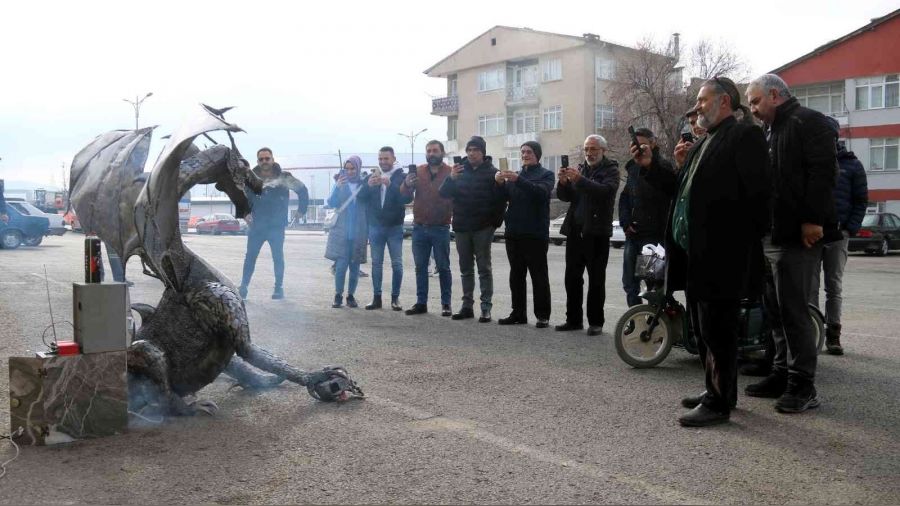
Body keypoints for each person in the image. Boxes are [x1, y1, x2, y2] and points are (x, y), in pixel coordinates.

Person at [647, 76, 770, 427]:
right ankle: (717, 389)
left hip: (723, 254)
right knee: (703, 328)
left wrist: (740, 245)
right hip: (698, 255)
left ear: (725, 102)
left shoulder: (744, 135)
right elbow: (681, 191)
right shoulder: (706, 141)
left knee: (718, 329)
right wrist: (652, 166)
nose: (697, 106)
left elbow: (759, 198)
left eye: (702, 100)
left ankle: (718, 403)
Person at [744, 73, 838, 414]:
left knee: (795, 313)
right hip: (772, 234)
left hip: (797, 236)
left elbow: (824, 174)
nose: (752, 109)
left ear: (774, 95)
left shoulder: (809, 122)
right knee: (775, 311)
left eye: (754, 101)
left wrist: (813, 220)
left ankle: (803, 385)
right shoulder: (772, 130)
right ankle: (781, 373)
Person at [555, 135, 619, 336]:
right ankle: (573, 319)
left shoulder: (611, 170)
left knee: (596, 280)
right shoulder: (580, 170)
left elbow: (604, 192)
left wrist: (579, 180)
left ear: (603, 151)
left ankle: (596, 322)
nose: (589, 153)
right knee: (572, 278)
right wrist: (564, 183)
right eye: (586, 149)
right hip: (576, 231)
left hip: (596, 233)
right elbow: (567, 197)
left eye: (593, 149)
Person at [811, 133, 869, 355]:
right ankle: (812, 332)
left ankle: (833, 335)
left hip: (838, 234)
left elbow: (861, 199)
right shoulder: (812, 160)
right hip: (813, 233)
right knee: (810, 287)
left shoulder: (853, 165)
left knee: (833, 286)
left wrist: (849, 228)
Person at [439, 136, 505, 323]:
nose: (471, 153)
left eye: (475, 149)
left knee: (484, 268)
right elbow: (443, 193)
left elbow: (501, 201)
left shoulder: (493, 173)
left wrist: (494, 224)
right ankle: (467, 306)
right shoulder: (459, 171)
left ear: (483, 152)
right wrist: (451, 178)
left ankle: (486, 307)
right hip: (461, 226)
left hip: (483, 227)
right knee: (465, 268)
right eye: (469, 149)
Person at [495, 141, 554, 328]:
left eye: (529, 152)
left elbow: (541, 193)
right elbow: (500, 198)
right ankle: (518, 313)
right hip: (514, 233)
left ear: (537, 154)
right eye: (522, 152)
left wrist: (517, 180)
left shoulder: (547, 175)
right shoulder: (515, 176)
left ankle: (542, 315)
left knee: (539, 276)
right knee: (516, 276)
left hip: (535, 234)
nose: (525, 155)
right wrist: (497, 183)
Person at [239, 147, 309, 300]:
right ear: (257, 161)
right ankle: (243, 287)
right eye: (261, 159)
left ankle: (278, 288)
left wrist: (301, 211)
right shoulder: (250, 178)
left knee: (277, 257)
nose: (264, 161)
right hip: (256, 226)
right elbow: (242, 197)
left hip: (276, 226)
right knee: (250, 257)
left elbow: (303, 191)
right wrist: (245, 213)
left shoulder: (284, 177)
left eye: (267, 158)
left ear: (272, 159)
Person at [619, 128, 677, 307]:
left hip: (653, 236)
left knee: (653, 284)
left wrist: (650, 165)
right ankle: (635, 319)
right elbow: (625, 197)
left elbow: (666, 195)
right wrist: (625, 222)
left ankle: (656, 322)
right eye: (634, 145)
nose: (638, 148)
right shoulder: (632, 167)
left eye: (642, 144)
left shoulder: (663, 166)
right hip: (633, 234)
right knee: (630, 283)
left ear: (653, 143)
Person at [401, 140, 453, 317]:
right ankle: (421, 303)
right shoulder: (419, 171)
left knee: (443, 267)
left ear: (442, 152)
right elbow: (405, 196)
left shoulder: (451, 172)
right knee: (420, 267)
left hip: (441, 228)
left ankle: (446, 304)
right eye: (429, 151)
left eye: (435, 150)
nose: (432, 153)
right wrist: (407, 184)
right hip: (419, 228)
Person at [363, 147, 410, 311]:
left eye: (386, 159)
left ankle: (395, 298)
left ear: (393, 159)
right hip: (375, 227)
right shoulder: (371, 176)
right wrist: (368, 186)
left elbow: (406, 198)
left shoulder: (401, 177)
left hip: (394, 227)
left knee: (397, 264)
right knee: (376, 264)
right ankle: (377, 298)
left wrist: (390, 185)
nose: (383, 162)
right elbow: (361, 199)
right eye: (380, 159)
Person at [325, 156, 369, 308]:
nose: (350, 172)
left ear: (358, 168)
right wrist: (337, 187)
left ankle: (351, 296)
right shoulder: (340, 183)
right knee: (341, 265)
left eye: (353, 168)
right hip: (342, 230)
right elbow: (331, 202)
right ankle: (338, 295)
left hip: (359, 230)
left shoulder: (364, 184)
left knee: (355, 266)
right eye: (347, 168)